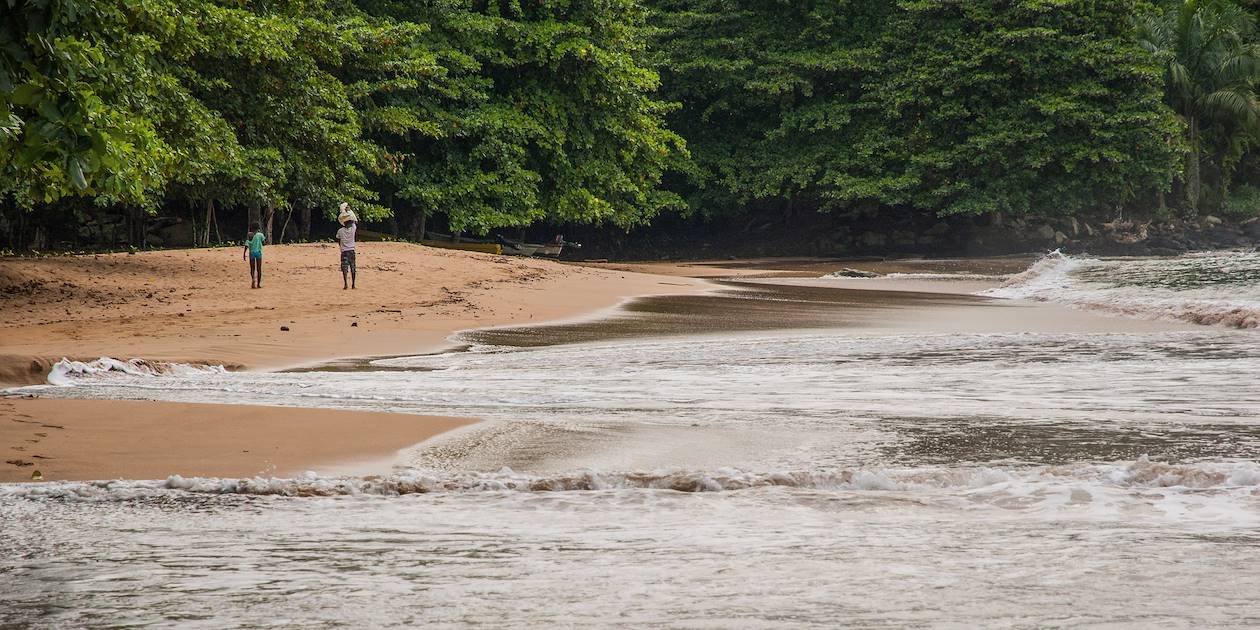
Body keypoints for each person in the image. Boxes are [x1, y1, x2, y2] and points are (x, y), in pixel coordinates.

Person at [336, 203, 357, 290]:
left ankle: (345, 284)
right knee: (353, 267)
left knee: (344, 268)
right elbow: (355, 220)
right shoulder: (353, 229)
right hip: (351, 250)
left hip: (344, 251)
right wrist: (349, 210)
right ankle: (353, 284)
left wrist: (341, 247)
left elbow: (338, 239)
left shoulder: (340, 231)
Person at [243, 222, 265, 289]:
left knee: (252, 268)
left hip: (251, 253)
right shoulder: (260, 235)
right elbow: (264, 243)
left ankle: (253, 279)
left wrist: (244, 253)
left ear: (251, 228)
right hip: (258, 252)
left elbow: (247, 244)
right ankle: (258, 284)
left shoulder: (249, 234)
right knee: (259, 269)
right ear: (258, 228)